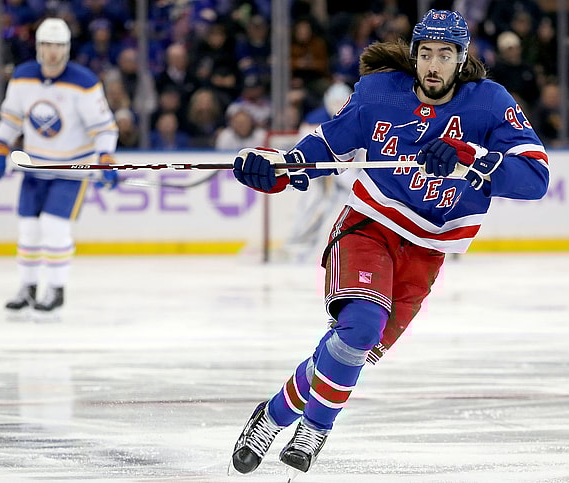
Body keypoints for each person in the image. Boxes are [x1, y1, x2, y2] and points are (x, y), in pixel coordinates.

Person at [228, 9, 550, 476]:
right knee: (360, 325)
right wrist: (276, 168)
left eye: (445, 55)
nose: (433, 65)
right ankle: (315, 429)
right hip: (371, 225)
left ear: (461, 60)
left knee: (348, 348)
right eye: (425, 54)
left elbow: (535, 178)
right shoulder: (380, 94)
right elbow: (322, 150)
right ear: (415, 57)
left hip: (427, 250)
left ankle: (273, 415)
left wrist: (472, 159)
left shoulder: (490, 104)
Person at [0, 17, 118, 314]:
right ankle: (27, 288)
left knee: (55, 228)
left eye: (57, 45)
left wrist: (105, 157)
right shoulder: (23, 77)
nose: (52, 51)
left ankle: (55, 289)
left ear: (66, 48)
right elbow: (11, 118)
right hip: (34, 169)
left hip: (71, 171)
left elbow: (105, 128)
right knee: (29, 230)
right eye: (46, 44)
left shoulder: (84, 82)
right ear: (38, 47)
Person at [281, 82, 354, 262]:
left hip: (345, 173)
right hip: (319, 174)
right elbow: (304, 152)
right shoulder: (314, 120)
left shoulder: (354, 118)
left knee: (337, 207)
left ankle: (324, 244)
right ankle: (297, 242)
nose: (337, 107)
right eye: (334, 102)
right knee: (312, 203)